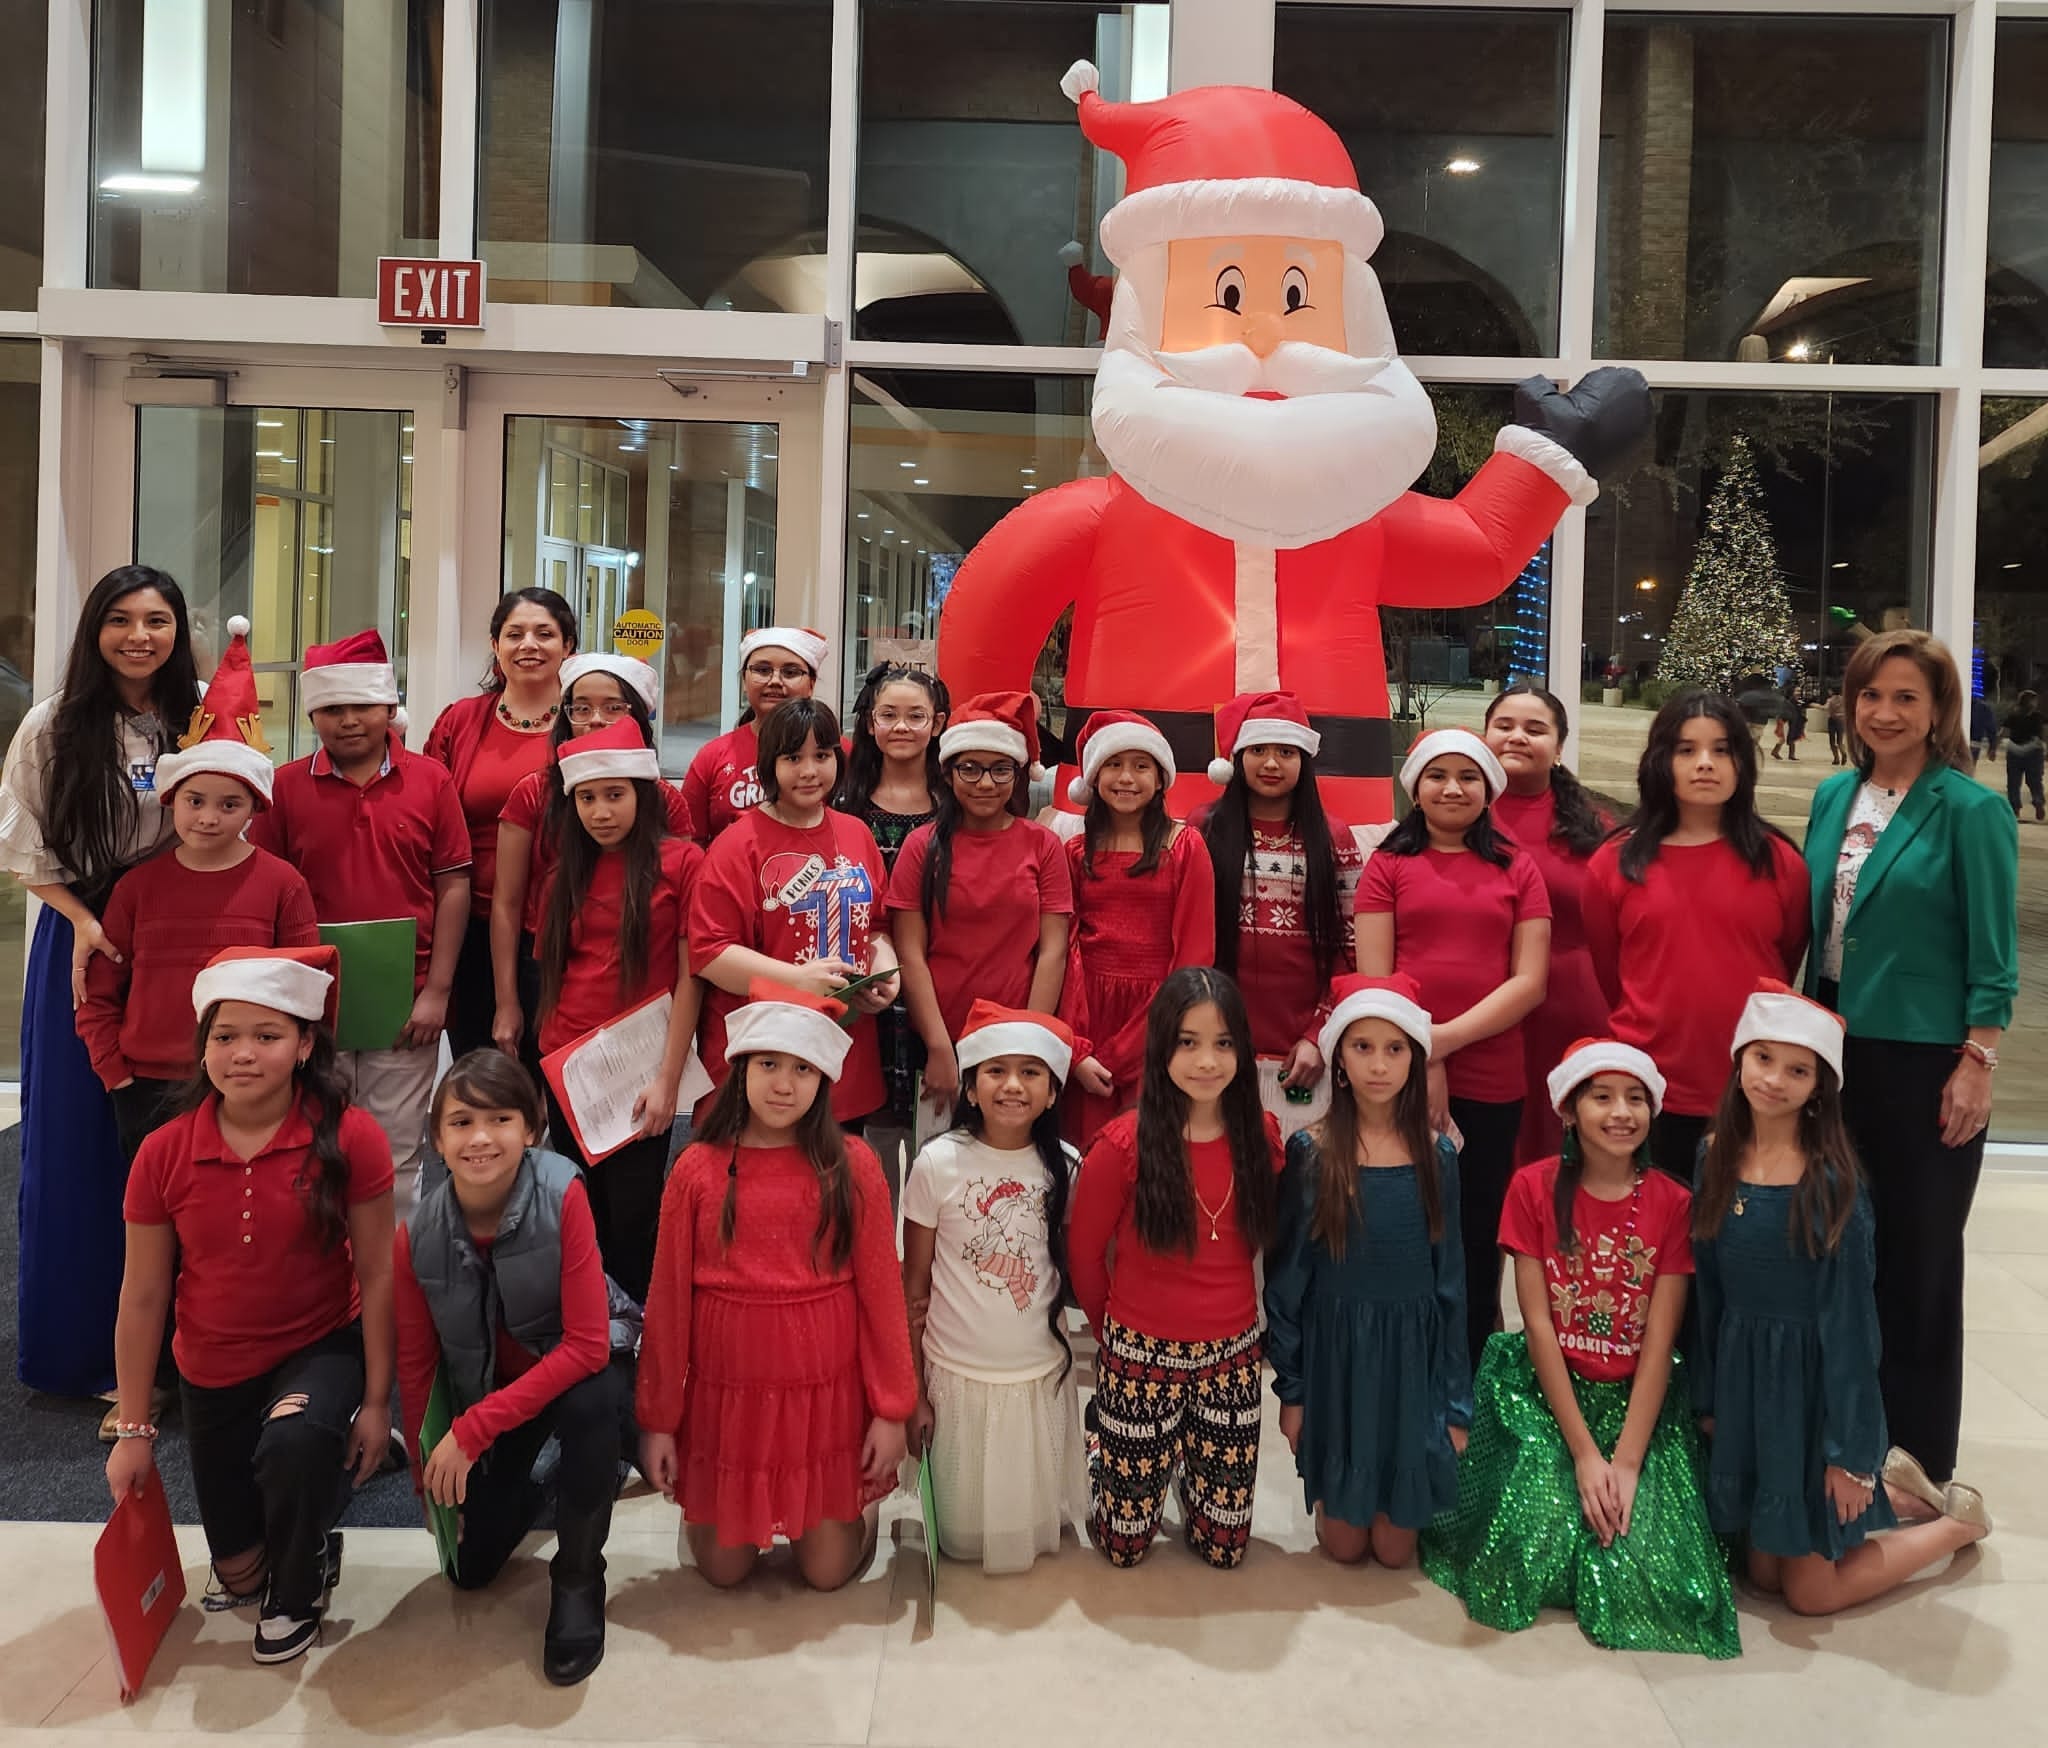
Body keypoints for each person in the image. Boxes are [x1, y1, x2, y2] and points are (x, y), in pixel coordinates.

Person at [105, 946, 396, 1665]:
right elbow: (142, 1298)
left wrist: (380, 1403)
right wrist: (135, 1429)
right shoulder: (163, 1152)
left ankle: (298, 1590)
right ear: (201, 1047)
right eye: (224, 1037)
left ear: (304, 1046)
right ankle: (302, 1536)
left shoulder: (351, 1136)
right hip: (211, 1365)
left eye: (267, 1037)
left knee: (294, 1448)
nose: (242, 1054)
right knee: (239, 1574)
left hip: (321, 1344)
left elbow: (382, 1273)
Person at [1420, 1038, 1738, 1659]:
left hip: (1636, 1402)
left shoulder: (1674, 1204)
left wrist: (1624, 1462)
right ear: (1569, 1110)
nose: (1621, 1112)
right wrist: (1586, 1457)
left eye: (1635, 1098)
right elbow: (1538, 1325)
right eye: (1602, 1097)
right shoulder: (1532, 1190)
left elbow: (1660, 1342)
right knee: (1523, 1546)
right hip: (1547, 1394)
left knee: (1659, 1577)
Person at [1692, 982, 1992, 1616]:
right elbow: (1710, 1292)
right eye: (1763, 1059)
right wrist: (1713, 1398)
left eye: (1798, 1069)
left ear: (1821, 1086)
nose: (1774, 1080)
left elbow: (1852, 1324)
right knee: (1764, 1578)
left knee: (1809, 1593)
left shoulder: (1832, 1185)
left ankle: (1954, 1522)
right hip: (1750, 1379)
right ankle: (1901, 1494)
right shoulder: (1714, 1156)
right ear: (1739, 1059)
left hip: (1813, 1394)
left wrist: (1850, 1456)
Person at [1803, 629, 2017, 1488]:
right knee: (1836, 1246)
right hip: (1831, 1051)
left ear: (1937, 715)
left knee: (1920, 1257)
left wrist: (1978, 1059)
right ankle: (1841, 1436)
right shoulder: (1832, 796)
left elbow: (1994, 952)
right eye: (1870, 696)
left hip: (1925, 1058)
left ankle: (1919, 1459)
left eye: (1905, 699)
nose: (1884, 713)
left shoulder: (1970, 809)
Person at [636, 982, 915, 1590]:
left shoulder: (854, 1166)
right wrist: (658, 1419)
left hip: (826, 1403)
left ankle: (851, 1506)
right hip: (727, 1405)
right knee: (724, 1572)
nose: (784, 1084)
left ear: (824, 1079)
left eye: (803, 1068)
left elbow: (882, 1297)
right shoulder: (696, 1170)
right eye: (768, 1064)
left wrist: (891, 1410)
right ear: (739, 1069)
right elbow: (665, 1305)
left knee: (826, 1574)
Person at [0, 565, 202, 1399]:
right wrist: (85, 921)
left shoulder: (196, 719)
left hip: (180, 940)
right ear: (94, 630)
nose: (139, 637)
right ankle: (81, 1350)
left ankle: (186, 1350)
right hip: (83, 940)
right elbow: (21, 842)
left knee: (176, 1137)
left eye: (157, 620)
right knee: (79, 1140)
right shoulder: (55, 724)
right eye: (120, 620)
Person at [394, 1050, 630, 1685]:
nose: (479, 1138)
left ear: (532, 1128)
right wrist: (429, 1484)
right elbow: (417, 1369)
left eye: (500, 1118)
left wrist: (472, 1433)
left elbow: (586, 1346)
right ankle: (535, 1485)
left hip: (582, 1368)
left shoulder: (564, 1192)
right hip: (499, 1393)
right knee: (469, 1572)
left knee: (592, 1405)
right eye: (461, 1121)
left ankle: (580, 1577)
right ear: (437, 1137)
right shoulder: (417, 1235)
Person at [79, 616, 319, 1175]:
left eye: (229, 804)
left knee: (240, 1212)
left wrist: (290, 1066)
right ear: (170, 801)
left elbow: (306, 990)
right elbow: (100, 989)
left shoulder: (283, 884)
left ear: (255, 808)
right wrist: (115, 1070)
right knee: (155, 1213)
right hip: (149, 1085)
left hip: (251, 1079)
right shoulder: (138, 887)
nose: (209, 818)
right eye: (195, 801)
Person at [251, 630, 471, 1217]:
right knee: (312, 1143)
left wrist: (437, 992)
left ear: (390, 708)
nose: (349, 721)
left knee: (397, 1151)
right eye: (332, 709)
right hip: (311, 1000)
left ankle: (389, 1283)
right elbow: (264, 893)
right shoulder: (285, 788)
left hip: (405, 1002)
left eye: (363, 707)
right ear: (313, 714)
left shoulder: (431, 781)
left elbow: (453, 886)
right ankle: (324, 1278)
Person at [1069, 967, 1283, 1569]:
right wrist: (1116, 1337)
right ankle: (1100, 1440)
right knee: (1123, 1547)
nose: (1207, 1061)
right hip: (1139, 1357)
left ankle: (1190, 1461)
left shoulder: (1261, 1138)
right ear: (1162, 1047)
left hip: (1232, 1358)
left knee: (1224, 1551)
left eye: (1222, 1043)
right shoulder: (1120, 1145)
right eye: (1188, 1042)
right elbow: (1085, 1256)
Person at [1354, 727, 1550, 1372]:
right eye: (1437, 775)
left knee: (1474, 1228)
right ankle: (1398, 1359)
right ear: (1415, 787)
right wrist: (1422, 1060)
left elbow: (1528, 982)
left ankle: (1463, 1373)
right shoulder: (1387, 866)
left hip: (1492, 1077)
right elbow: (1378, 982)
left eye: (1468, 776)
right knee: (1399, 1220)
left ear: (1489, 788)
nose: (1452, 787)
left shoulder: (1517, 867)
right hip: (1394, 1075)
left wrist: (1439, 1043)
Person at [1265, 973, 1468, 1568]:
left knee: (1395, 1551)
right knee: (1347, 1548)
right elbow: (1287, 1285)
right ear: (1339, 1061)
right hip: (1340, 1361)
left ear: (1415, 1058)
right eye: (1362, 1047)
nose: (1379, 1064)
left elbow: (1452, 1284)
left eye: (1395, 1048)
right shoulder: (1313, 1153)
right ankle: (1345, 1496)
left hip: (1410, 1361)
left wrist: (1455, 1406)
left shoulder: (1439, 1158)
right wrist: (1294, 1393)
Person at [1583, 690, 1808, 1182]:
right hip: (1647, 1087)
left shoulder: (1780, 862)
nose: (1705, 764)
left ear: (1743, 763)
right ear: (1661, 762)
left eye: (1722, 749)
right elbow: (1610, 970)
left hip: (1751, 1090)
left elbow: (1785, 962)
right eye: (1687, 750)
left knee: (1734, 1244)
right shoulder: (1614, 862)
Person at [901, 1002, 1089, 1573]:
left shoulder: (1067, 1165)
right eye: (996, 1071)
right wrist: (913, 1391)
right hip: (956, 1373)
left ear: (1054, 1092)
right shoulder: (937, 1163)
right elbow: (912, 1292)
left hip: (1036, 1373)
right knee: (961, 1536)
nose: (1013, 1085)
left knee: (1026, 1526)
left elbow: (1072, 1270)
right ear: (971, 1087)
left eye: (1031, 1072)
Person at [531, 720, 705, 1303]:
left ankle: (636, 1346)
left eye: (614, 794)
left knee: (634, 1221)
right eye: (586, 797)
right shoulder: (562, 872)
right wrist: (543, 1072)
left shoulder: (681, 863)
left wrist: (668, 1079)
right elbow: (551, 978)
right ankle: (593, 1338)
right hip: (567, 1066)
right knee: (582, 1212)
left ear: (642, 793)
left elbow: (691, 977)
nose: (600, 811)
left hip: (639, 1068)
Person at [689, 697, 900, 1127]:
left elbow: (876, 924)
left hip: (842, 1051)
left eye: (821, 756)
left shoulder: (856, 832)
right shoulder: (738, 843)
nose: (809, 771)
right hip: (765, 1058)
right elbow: (710, 953)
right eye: (793, 758)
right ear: (770, 764)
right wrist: (798, 981)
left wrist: (886, 970)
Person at [489, 653, 692, 1077]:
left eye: (614, 707)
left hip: (641, 967)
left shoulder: (666, 802)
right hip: (550, 962)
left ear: (637, 714)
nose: (596, 719)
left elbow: (680, 913)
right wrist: (507, 1001)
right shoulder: (532, 794)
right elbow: (506, 904)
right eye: (581, 707)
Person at [890, 692, 1072, 1130]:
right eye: (969, 768)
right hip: (938, 1036)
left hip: (1017, 1039)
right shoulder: (923, 846)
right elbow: (909, 953)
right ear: (948, 773)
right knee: (939, 1167)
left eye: (1000, 768)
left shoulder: (1042, 845)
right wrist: (938, 1046)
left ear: (1017, 773)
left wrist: (1031, 1040)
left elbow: (1052, 951)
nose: (985, 783)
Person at [1196, 689, 1361, 1131]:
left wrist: (1320, 1037)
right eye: (1258, 751)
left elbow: (1353, 952)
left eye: (1286, 752)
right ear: (1236, 758)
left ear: (1304, 760)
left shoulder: (1335, 838)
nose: (1271, 764)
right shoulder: (1203, 831)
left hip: (1304, 1053)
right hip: (1216, 1048)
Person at [424, 588, 578, 1060]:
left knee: (551, 1071)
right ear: (495, 646)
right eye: (514, 634)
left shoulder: (584, 722)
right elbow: (429, 814)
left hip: (559, 929)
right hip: (469, 925)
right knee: (481, 1068)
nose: (528, 644)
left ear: (568, 646)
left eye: (544, 633)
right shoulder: (460, 721)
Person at [1059, 710, 1216, 1148]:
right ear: (1094, 776)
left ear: (1160, 778)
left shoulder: (1185, 847)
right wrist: (1077, 1049)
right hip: (1087, 1015)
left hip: (1159, 1018)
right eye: (1113, 764)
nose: (1126, 777)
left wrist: (1138, 1045)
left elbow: (1194, 956)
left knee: (1148, 1155)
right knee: (1085, 1158)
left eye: (1140, 765)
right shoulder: (1074, 853)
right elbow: (1064, 951)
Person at [1483, 683, 1614, 1164]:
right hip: (1482, 1014)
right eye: (1504, 726)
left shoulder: (1596, 825)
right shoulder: (1451, 812)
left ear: (1559, 749)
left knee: (1569, 1148)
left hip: (1572, 1011)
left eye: (1535, 730)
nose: (1517, 737)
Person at [835, 663, 948, 1150]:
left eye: (915, 716)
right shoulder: (844, 803)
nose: (901, 727)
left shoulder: (955, 803)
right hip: (865, 984)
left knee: (935, 1128)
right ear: (870, 723)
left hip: (936, 979)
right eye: (889, 715)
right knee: (868, 1128)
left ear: (938, 723)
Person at [681, 626, 826, 845]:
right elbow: (689, 845)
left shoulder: (835, 752)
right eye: (762, 670)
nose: (775, 681)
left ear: (811, 685)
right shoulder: (712, 757)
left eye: (790, 672)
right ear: (744, 680)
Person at [1994, 687, 2045, 822]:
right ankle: (2038, 801)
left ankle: (2015, 808)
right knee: (2034, 780)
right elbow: (2043, 735)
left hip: (2014, 751)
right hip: (2033, 750)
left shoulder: (2013, 716)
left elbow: (2003, 732)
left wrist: (1994, 747)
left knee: (2013, 782)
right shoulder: (2038, 716)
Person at [1824, 689, 1847, 766]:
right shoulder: (1843, 699)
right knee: (1840, 741)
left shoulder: (1830, 700)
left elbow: (1825, 708)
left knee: (1832, 741)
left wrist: (1813, 705)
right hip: (1841, 720)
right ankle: (1843, 753)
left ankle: (1836, 758)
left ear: (1831, 691)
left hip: (1832, 720)